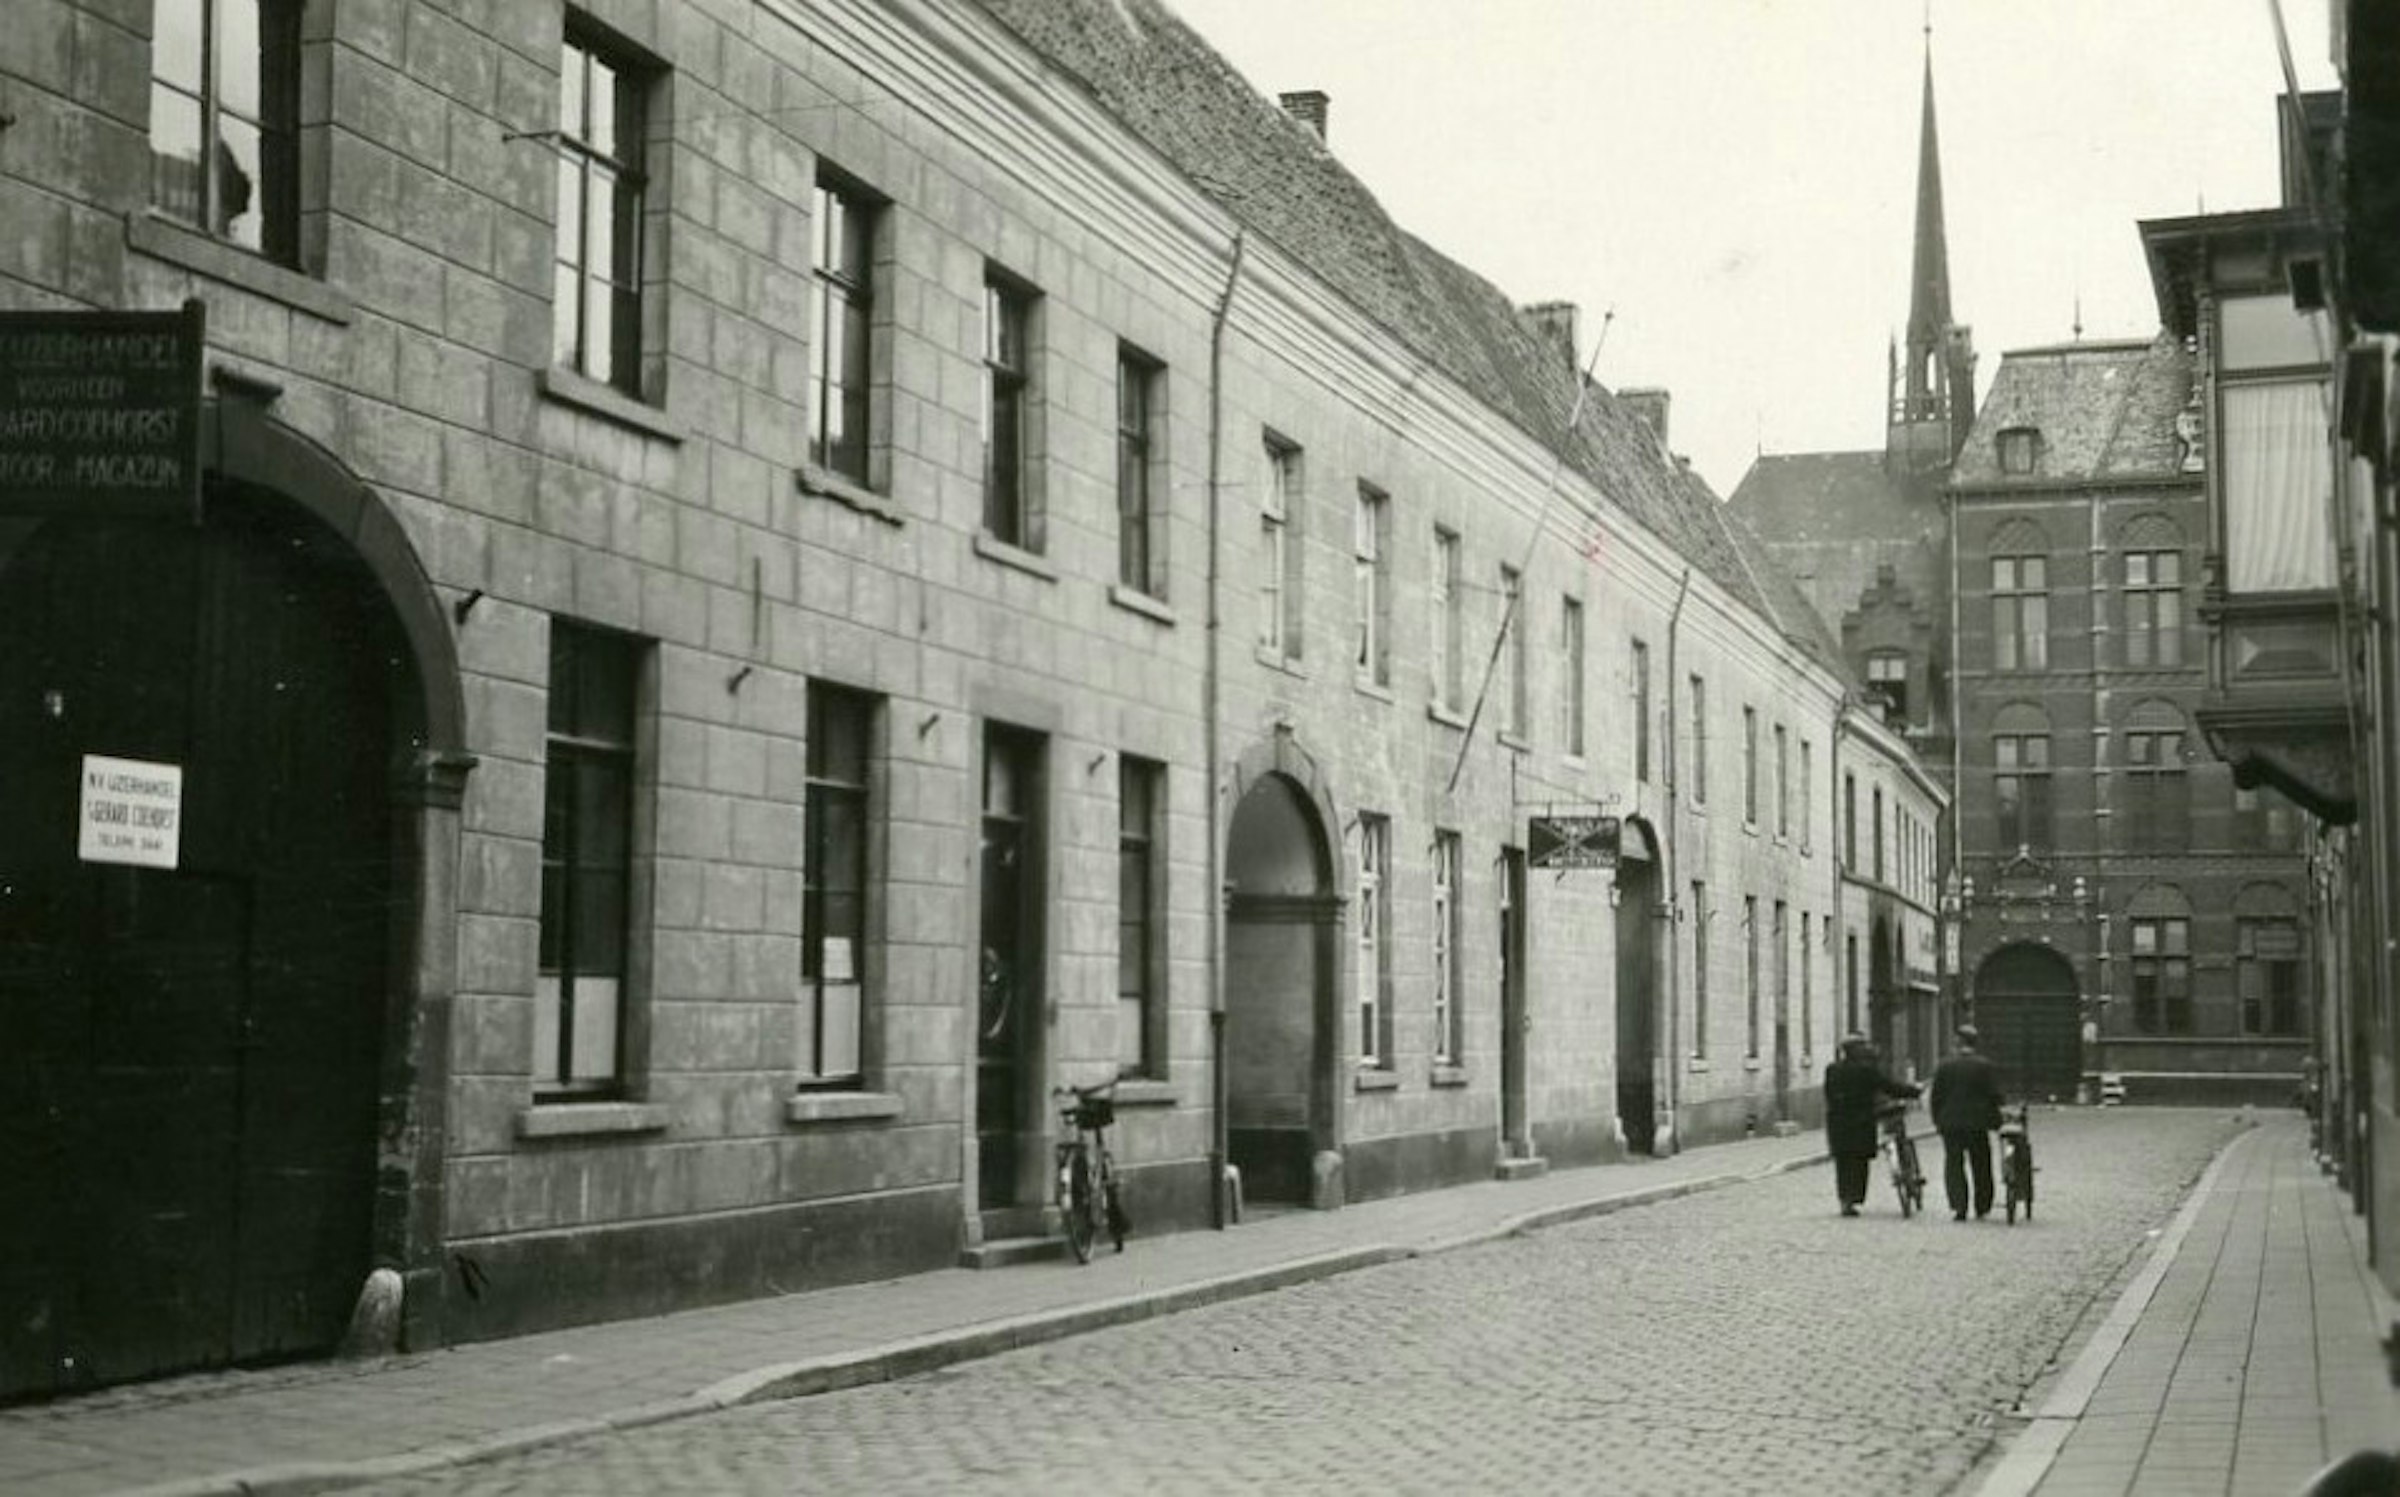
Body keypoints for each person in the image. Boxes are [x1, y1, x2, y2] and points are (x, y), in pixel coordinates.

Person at [1823, 1033, 1919, 1216]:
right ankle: (1855, 1198)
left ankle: (1845, 1200)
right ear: (1857, 1051)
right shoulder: (1866, 1070)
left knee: (1843, 1162)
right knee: (1859, 1161)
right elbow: (1889, 1087)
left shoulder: (1832, 1070)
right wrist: (1913, 1092)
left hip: (1839, 1123)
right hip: (1861, 1121)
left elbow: (1828, 1094)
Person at [1930, 1024, 2006, 1221]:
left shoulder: (1944, 1066)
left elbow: (1936, 1097)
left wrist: (1938, 1120)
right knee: (1981, 1163)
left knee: (1954, 1163)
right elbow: (1995, 1095)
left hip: (1951, 1123)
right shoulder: (1984, 1066)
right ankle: (1982, 1205)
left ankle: (1959, 1206)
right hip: (1977, 1123)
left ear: (1957, 1042)